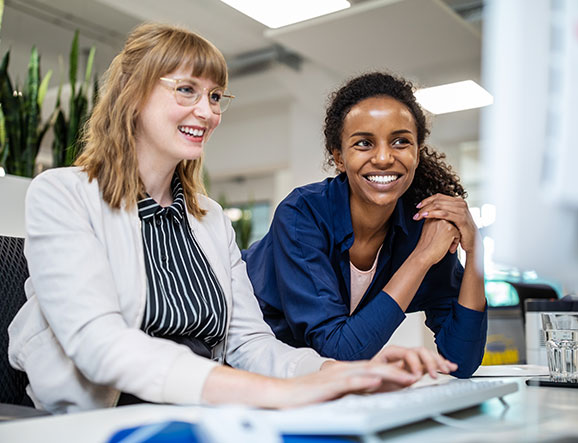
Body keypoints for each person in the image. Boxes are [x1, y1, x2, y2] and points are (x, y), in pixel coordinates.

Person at [7, 25, 455, 414]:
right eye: (187, 90)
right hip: (96, 418)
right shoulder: (64, 194)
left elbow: (249, 344)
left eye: (216, 96)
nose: (207, 112)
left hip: (201, 409)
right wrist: (266, 393)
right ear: (132, 94)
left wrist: (347, 373)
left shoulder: (210, 219)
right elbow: (99, 345)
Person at [243, 72, 487, 378]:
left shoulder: (421, 226)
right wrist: (422, 258)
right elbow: (339, 350)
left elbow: (461, 360)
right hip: (240, 356)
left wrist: (474, 247)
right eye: (364, 143)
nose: (384, 158)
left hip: (312, 378)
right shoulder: (302, 214)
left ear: (416, 152)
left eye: (400, 141)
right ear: (340, 158)